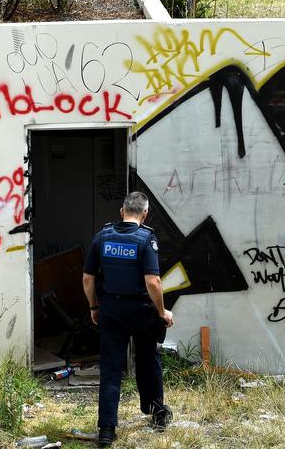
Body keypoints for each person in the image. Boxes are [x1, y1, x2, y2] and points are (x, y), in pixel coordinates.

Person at [82, 191, 174, 447]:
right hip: (141, 311)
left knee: (111, 368)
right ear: (145, 214)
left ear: (122, 211)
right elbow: (152, 281)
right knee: (148, 359)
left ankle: (107, 431)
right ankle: (156, 413)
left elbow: (88, 278)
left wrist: (93, 306)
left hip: (111, 309)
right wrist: (162, 312)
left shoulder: (102, 237)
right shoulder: (146, 240)